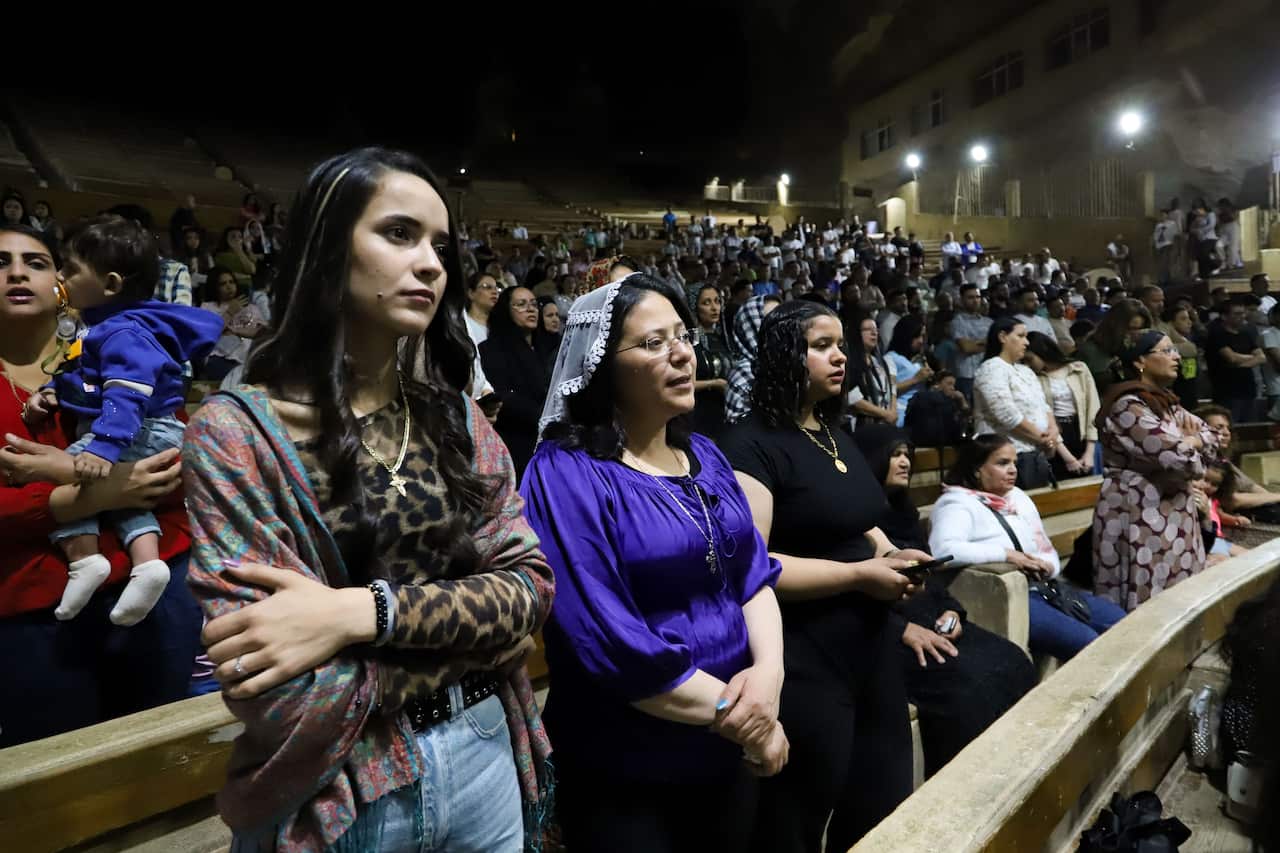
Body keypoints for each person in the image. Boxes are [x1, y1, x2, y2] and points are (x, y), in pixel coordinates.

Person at [181, 148, 555, 852]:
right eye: (399, 233)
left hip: (484, 751)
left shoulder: (458, 419)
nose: (433, 264)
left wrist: (358, 613)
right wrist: (475, 635)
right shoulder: (236, 435)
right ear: (327, 247)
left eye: (441, 246)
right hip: (343, 784)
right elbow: (278, 689)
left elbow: (529, 589)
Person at [520, 272, 787, 852]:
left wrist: (768, 680)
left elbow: (753, 578)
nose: (682, 352)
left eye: (682, 335)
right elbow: (606, 638)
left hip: (728, 741)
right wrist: (743, 715)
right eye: (652, 342)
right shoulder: (565, 472)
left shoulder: (705, 456)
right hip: (629, 759)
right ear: (600, 367)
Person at [723, 300, 928, 852]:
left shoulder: (836, 433)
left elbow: (866, 525)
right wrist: (860, 575)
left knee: (881, 803)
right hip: (807, 654)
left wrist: (897, 557)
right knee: (797, 819)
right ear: (785, 355)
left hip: (871, 647)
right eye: (821, 346)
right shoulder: (751, 444)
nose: (840, 357)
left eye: (840, 345)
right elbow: (757, 565)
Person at [0, 221, 201, 748]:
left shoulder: (110, 347)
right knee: (61, 788)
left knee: (162, 763)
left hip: (158, 596)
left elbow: (177, 466)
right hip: (34, 615)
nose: (18, 272)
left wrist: (69, 475)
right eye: (0, 262)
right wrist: (97, 492)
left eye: (39, 262)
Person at [20, 216, 221, 626]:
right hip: (146, 429)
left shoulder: (122, 330)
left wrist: (103, 446)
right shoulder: (104, 328)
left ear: (110, 285)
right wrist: (56, 394)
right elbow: (91, 383)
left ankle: (84, 559)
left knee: (66, 476)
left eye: (70, 269)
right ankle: (147, 565)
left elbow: (128, 392)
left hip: (140, 429)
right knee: (122, 498)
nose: (61, 276)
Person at [852, 424, 1036, 777]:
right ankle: (968, 786)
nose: (905, 462)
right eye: (895, 454)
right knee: (966, 689)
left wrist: (953, 610)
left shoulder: (902, 515)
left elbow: (930, 576)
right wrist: (903, 629)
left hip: (933, 617)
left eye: (908, 453)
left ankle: (1019, 774)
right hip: (886, 629)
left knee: (1013, 661)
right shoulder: (856, 520)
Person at [929, 435, 1126, 662]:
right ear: (976, 469)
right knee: (1086, 642)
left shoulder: (1018, 497)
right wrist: (1008, 556)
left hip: (1045, 587)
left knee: (1120, 621)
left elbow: (1044, 546)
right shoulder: (956, 503)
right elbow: (942, 551)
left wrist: (1047, 566)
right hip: (1011, 597)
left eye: (1014, 462)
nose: (1013, 470)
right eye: (1002, 463)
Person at [1093, 330, 1218, 612]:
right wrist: (1190, 445)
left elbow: (1213, 439)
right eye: (1166, 351)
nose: (1176, 357)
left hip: (1175, 509)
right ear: (1140, 361)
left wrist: (1193, 441)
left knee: (1183, 594)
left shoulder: (1167, 403)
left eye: (1175, 350)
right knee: (1146, 595)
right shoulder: (1127, 405)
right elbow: (1175, 456)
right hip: (1138, 508)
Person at [972, 317, 1058, 489]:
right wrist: (1043, 438)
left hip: (1035, 452)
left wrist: (1053, 431)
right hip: (1007, 456)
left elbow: (1044, 406)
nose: (1026, 342)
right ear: (1003, 337)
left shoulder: (1026, 371)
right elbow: (1007, 414)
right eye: (1020, 336)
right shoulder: (991, 368)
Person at [479, 285, 551, 477]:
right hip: (516, 445)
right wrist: (544, 417)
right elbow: (503, 394)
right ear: (506, 311)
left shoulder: (547, 348)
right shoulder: (491, 349)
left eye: (534, 304)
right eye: (521, 304)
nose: (531, 309)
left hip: (548, 441)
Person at [1025, 332, 1100, 480]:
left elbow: (1093, 408)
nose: (1028, 365)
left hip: (1081, 428)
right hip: (1055, 432)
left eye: (1030, 359)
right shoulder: (1032, 377)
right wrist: (1067, 457)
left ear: (1043, 351)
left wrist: (1090, 452)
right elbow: (1041, 415)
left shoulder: (1079, 369)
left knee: (1088, 479)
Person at [199, 266, 268, 382]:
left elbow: (264, 332)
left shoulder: (250, 307)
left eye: (231, 282)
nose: (229, 286)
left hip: (247, 359)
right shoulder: (207, 307)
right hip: (219, 358)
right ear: (215, 287)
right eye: (223, 284)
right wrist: (230, 312)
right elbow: (207, 335)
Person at [1206, 297, 1266, 424]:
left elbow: (1261, 357)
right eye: (1237, 314)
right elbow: (1231, 358)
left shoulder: (1246, 334)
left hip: (1248, 390)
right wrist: (1250, 357)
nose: (1242, 316)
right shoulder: (1217, 335)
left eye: (1243, 313)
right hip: (1227, 392)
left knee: (1250, 429)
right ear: (1224, 316)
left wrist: (1241, 364)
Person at [1075, 298, 1152, 396]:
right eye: (1130, 329)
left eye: (1141, 330)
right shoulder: (1091, 351)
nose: (1135, 335)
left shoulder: (1144, 349)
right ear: (1113, 325)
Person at [725, 294, 781, 424]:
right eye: (771, 319)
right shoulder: (743, 376)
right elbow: (739, 438)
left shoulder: (789, 365)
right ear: (750, 326)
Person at [691, 282, 733, 439]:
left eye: (717, 301)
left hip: (724, 413)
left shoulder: (724, 338)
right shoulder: (690, 340)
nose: (714, 308)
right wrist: (714, 383)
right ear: (694, 307)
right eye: (706, 303)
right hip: (699, 416)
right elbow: (686, 382)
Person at [848, 314, 898, 429]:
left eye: (875, 329)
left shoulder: (882, 362)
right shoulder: (849, 361)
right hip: (863, 425)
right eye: (868, 329)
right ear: (857, 334)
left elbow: (891, 389)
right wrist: (885, 414)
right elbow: (853, 398)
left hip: (886, 422)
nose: (874, 333)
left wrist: (892, 413)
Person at [884, 316, 933, 427]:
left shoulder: (917, 359)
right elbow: (887, 390)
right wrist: (915, 379)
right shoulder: (890, 358)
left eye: (922, 336)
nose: (921, 341)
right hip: (903, 413)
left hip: (921, 411)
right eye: (916, 336)